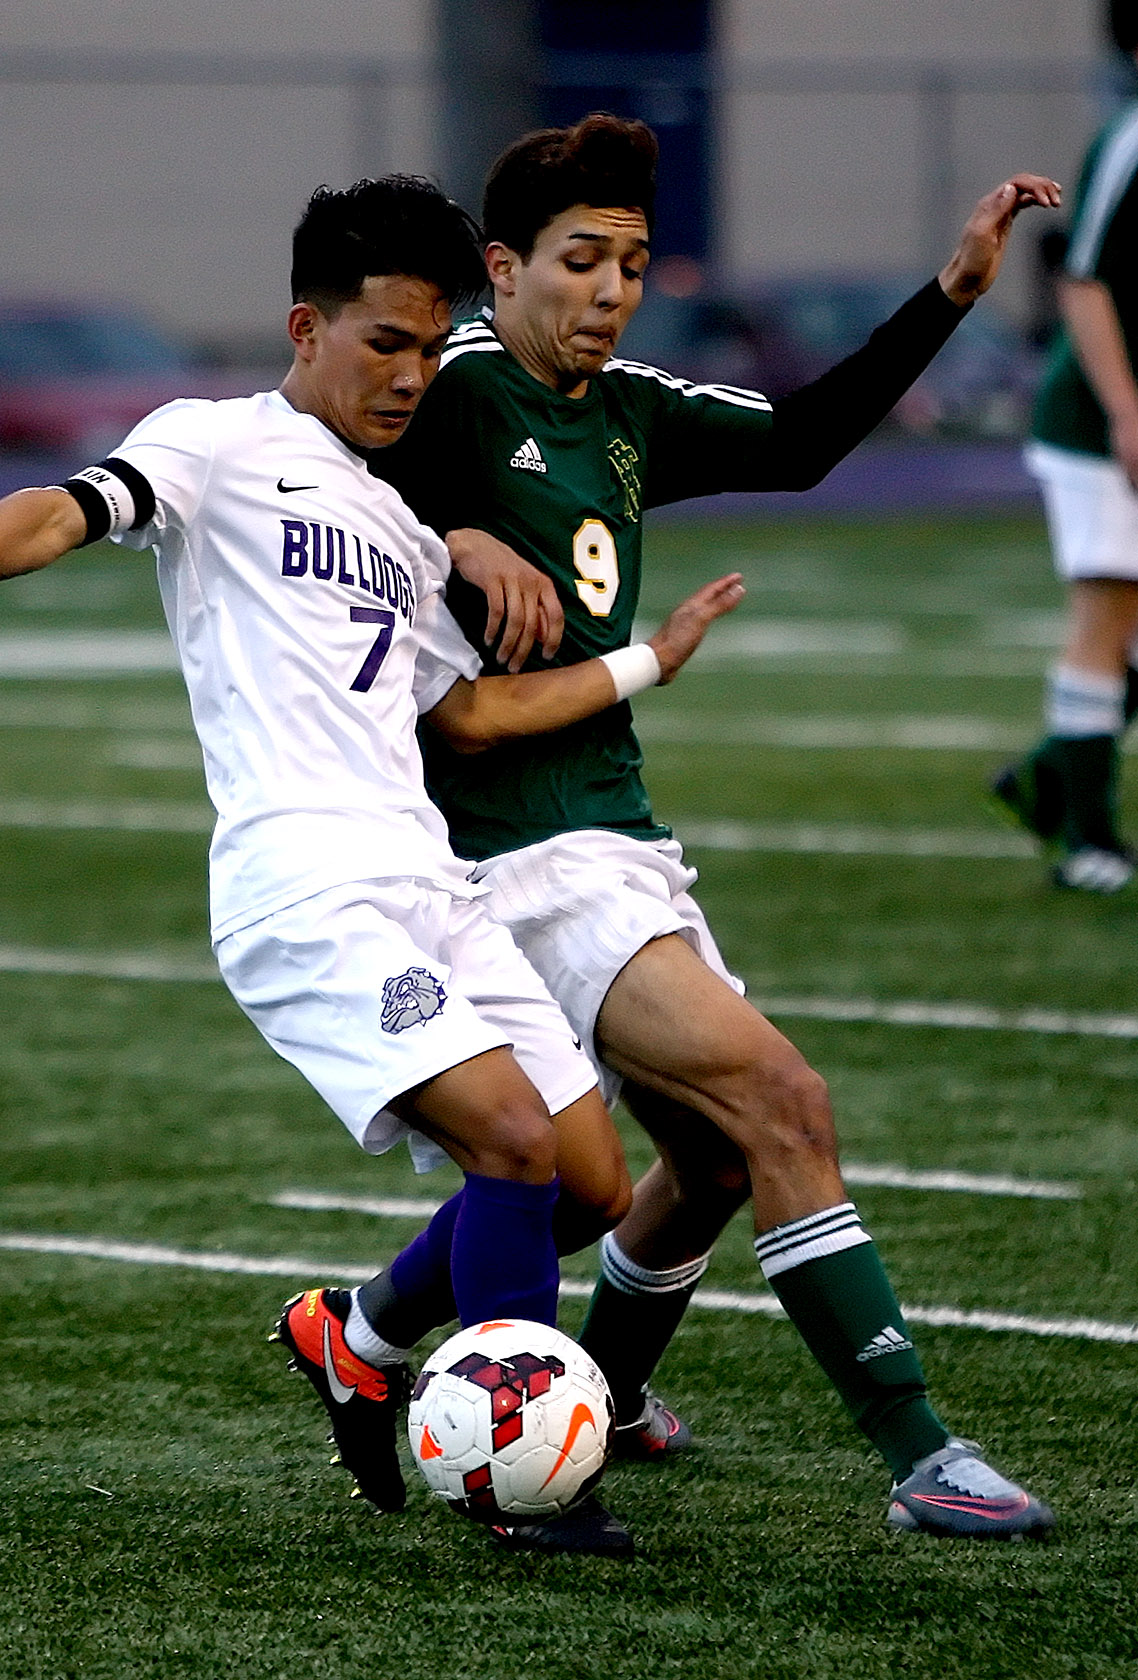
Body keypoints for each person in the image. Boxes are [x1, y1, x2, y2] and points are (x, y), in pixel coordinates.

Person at [0, 174, 744, 1547]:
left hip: (430, 882)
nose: (409, 375)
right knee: (505, 1144)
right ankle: (527, 1484)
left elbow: (473, 713)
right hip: (303, 885)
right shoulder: (212, 446)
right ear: (305, 326)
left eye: (432, 350)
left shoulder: (395, 522)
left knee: (587, 1186)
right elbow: (63, 508)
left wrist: (639, 661)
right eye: (385, 342)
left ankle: (358, 1338)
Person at [349, 116, 1060, 1548]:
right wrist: (449, 536)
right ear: (502, 269)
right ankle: (919, 1451)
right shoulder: (455, 389)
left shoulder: (622, 408)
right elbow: (319, 454)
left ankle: (553, 1394)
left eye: (629, 265)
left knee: (716, 1163)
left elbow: (799, 444)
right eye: (578, 263)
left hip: (612, 833)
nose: (610, 292)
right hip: (514, 858)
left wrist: (953, 292)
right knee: (781, 1101)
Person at [995, 2, 1138, 893]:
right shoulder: (1128, 142)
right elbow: (1083, 284)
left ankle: (1050, 775)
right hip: (1097, 429)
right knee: (1107, 616)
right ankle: (1087, 843)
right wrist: (1126, 413)